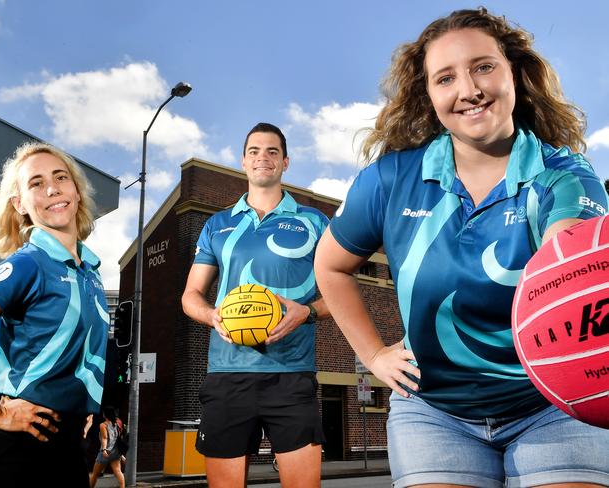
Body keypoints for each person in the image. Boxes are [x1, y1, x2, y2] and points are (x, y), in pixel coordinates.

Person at [314, 8, 609, 488]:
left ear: (514, 72)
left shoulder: (565, 176)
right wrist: (372, 356)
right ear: (428, 95)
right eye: (445, 77)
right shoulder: (390, 179)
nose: (468, 89)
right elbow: (330, 267)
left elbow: (572, 283)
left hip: (550, 409)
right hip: (433, 412)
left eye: (484, 67)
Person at [182, 122, 329, 488]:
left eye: (272, 152)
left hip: (292, 374)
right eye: (254, 152)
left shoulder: (314, 221)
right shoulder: (218, 225)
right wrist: (212, 317)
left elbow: (343, 294)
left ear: (285, 162)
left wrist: (306, 311)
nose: (263, 158)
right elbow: (190, 296)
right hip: (228, 374)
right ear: (243, 162)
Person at [0, 142, 109, 488]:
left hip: (67, 447)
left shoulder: (91, 272)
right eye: (36, 183)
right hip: (15, 450)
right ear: (20, 205)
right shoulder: (29, 263)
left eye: (60, 177)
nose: (52, 188)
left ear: (76, 190)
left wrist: (91, 413)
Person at [90, 406, 125, 488]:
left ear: (105, 414)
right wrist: (121, 454)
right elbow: (118, 439)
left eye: (103, 413)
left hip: (106, 452)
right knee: (118, 472)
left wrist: (104, 450)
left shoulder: (103, 425)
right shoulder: (118, 423)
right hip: (116, 452)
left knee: (95, 474)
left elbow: (104, 438)